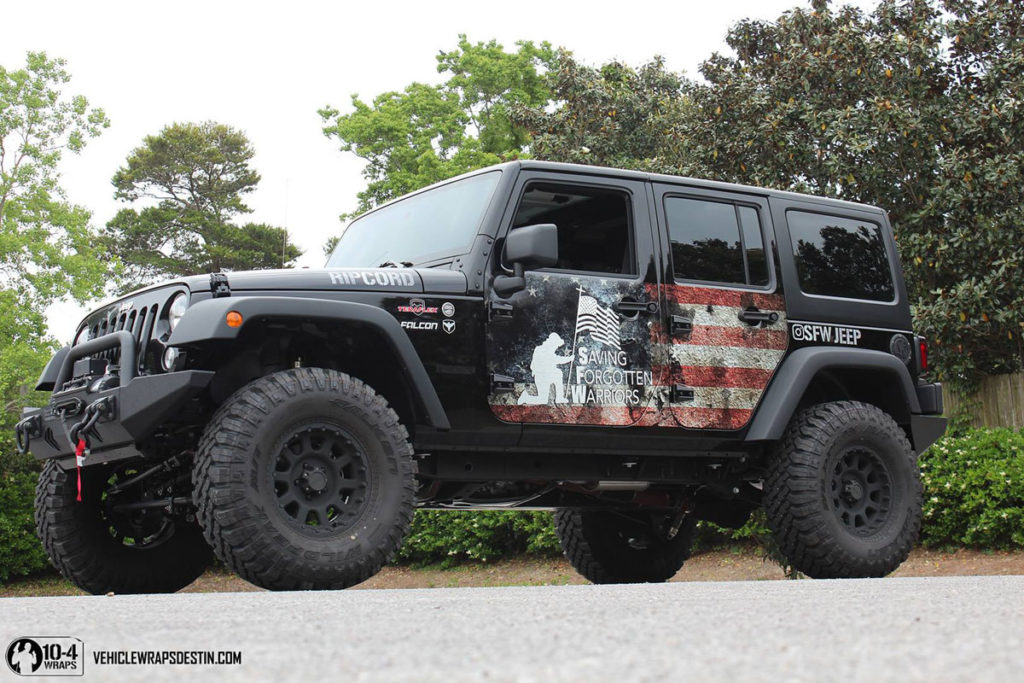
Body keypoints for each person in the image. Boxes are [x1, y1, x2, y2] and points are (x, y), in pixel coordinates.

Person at [518, 333, 572, 405]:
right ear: (551, 343)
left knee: (558, 373)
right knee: (542, 400)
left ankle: (559, 397)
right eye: (556, 345)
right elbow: (556, 359)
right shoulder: (543, 350)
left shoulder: (547, 350)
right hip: (541, 376)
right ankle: (525, 398)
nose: (556, 347)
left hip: (546, 375)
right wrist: (570, 359)